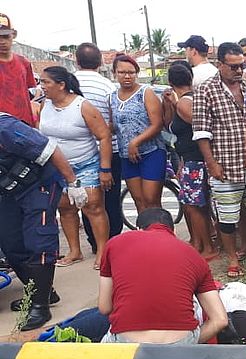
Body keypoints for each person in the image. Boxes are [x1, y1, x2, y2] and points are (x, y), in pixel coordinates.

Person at [193, 42, 246, 279]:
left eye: (241, 66)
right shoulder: (206, 90)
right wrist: (211, 163)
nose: (239, 71)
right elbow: (201, 132)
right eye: (233, 67)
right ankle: (231, 257)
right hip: (224, 165)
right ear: (220, 65)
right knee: (228, 219)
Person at [98, 208, 227, 344]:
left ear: (138, 229)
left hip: (128, 342)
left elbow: (105, 307)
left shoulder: (114, 243)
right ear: (173, 232)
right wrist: (187, 344)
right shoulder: (194, 255)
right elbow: (220, 320)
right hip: (179, 344)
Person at [0, 112, 77, 330]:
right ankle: (43, 292)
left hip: (39, 182)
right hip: (10, 189)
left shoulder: (5, 127)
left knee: (38, 239)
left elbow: (49, 150)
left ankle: (40, 306)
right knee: (10, 243)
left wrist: (73, 183)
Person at [37, 66, 114, 269]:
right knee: (65, 208)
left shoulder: (83, 106)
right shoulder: (44, 105)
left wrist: (105, 169)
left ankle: (103, 252)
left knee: (93, 207)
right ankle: (74, 251)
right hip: (56, 166)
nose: (42, 86)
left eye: (46, 82)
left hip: (85, 163)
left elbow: (104, 136)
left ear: (61, 85)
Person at [75, 42, 125, 253]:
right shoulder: (107, 86)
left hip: (79, 152)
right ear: (100, 62)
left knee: (86, 201)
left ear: (76, 62)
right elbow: (115, 119)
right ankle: (114, 240)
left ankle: (96, 243)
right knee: (110, 198)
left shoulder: (68, 84)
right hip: (109, 150)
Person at [162, 63, 214, 261]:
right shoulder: (182, 101)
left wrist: (175, 104)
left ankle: (207, 246)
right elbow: (170, 127)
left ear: (170, 82)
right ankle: (199, 243)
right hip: (189, 159)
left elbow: (199, 124)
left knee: (195, 206)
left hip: (197, 161)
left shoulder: (185, 102)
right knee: (194, 205)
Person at [110, 54, 165, 214]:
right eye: (122, 72)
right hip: (127, 157)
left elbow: (157, 124)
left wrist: (136, 142)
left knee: (151, 201)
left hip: (151, 152)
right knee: (139, 202)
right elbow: (114, 126)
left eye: (131, 72)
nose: (127, 76)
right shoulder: (112, 97)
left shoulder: (145, 92)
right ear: (115, 73)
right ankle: (145, 237)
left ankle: (161, 237)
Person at [0, 13, 35, 126]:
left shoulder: (24, 63)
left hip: (24, 125)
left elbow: (29, 92)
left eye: (5, 36)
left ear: (13, 35)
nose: (2, 41)